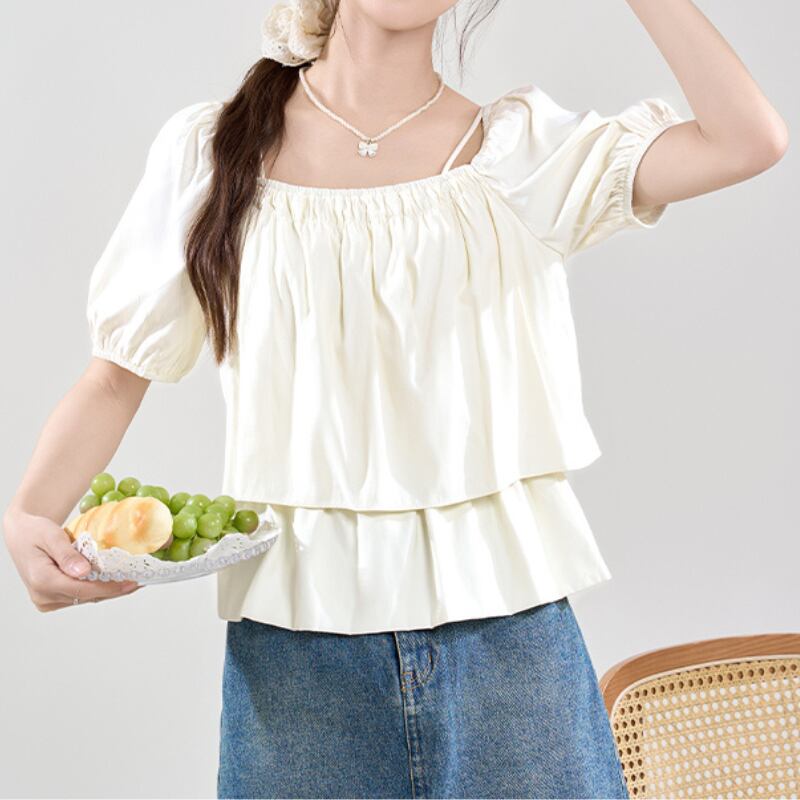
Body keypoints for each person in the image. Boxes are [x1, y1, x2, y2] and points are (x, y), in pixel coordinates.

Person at [3, 0, 788, 797]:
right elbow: (113, 377)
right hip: (297, 667)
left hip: (513, 655)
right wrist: (30, 514)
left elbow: (748, 139)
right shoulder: (211, 154)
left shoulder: (522, 156)